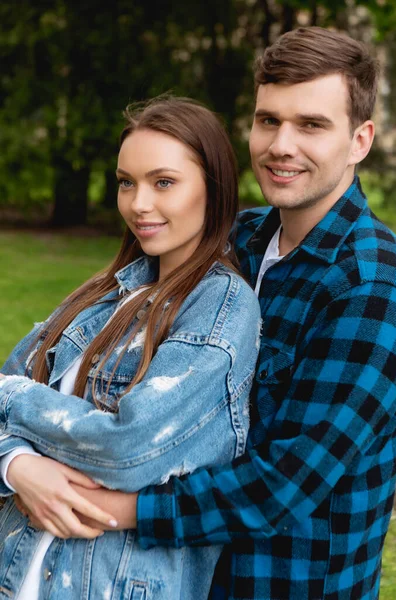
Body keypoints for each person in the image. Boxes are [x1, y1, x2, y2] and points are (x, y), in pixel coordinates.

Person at [44, 26, 396, 600]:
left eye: (311, 125)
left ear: (360, 140)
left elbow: (288, 483)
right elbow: (94, 366)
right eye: (268, 120)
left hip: (289, 585)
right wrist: (22, 462)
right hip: (184, 579)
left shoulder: (373, 285)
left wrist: (108, 507)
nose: (281, 144)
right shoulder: (239, 240)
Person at [0, 97, 261, 599]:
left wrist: (13, 400)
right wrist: (17, 466)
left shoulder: (222, 306)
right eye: (127, 182)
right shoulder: (104, 293)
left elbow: (130, 449)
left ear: (214, 186)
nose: (138, 204)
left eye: (163, 182)